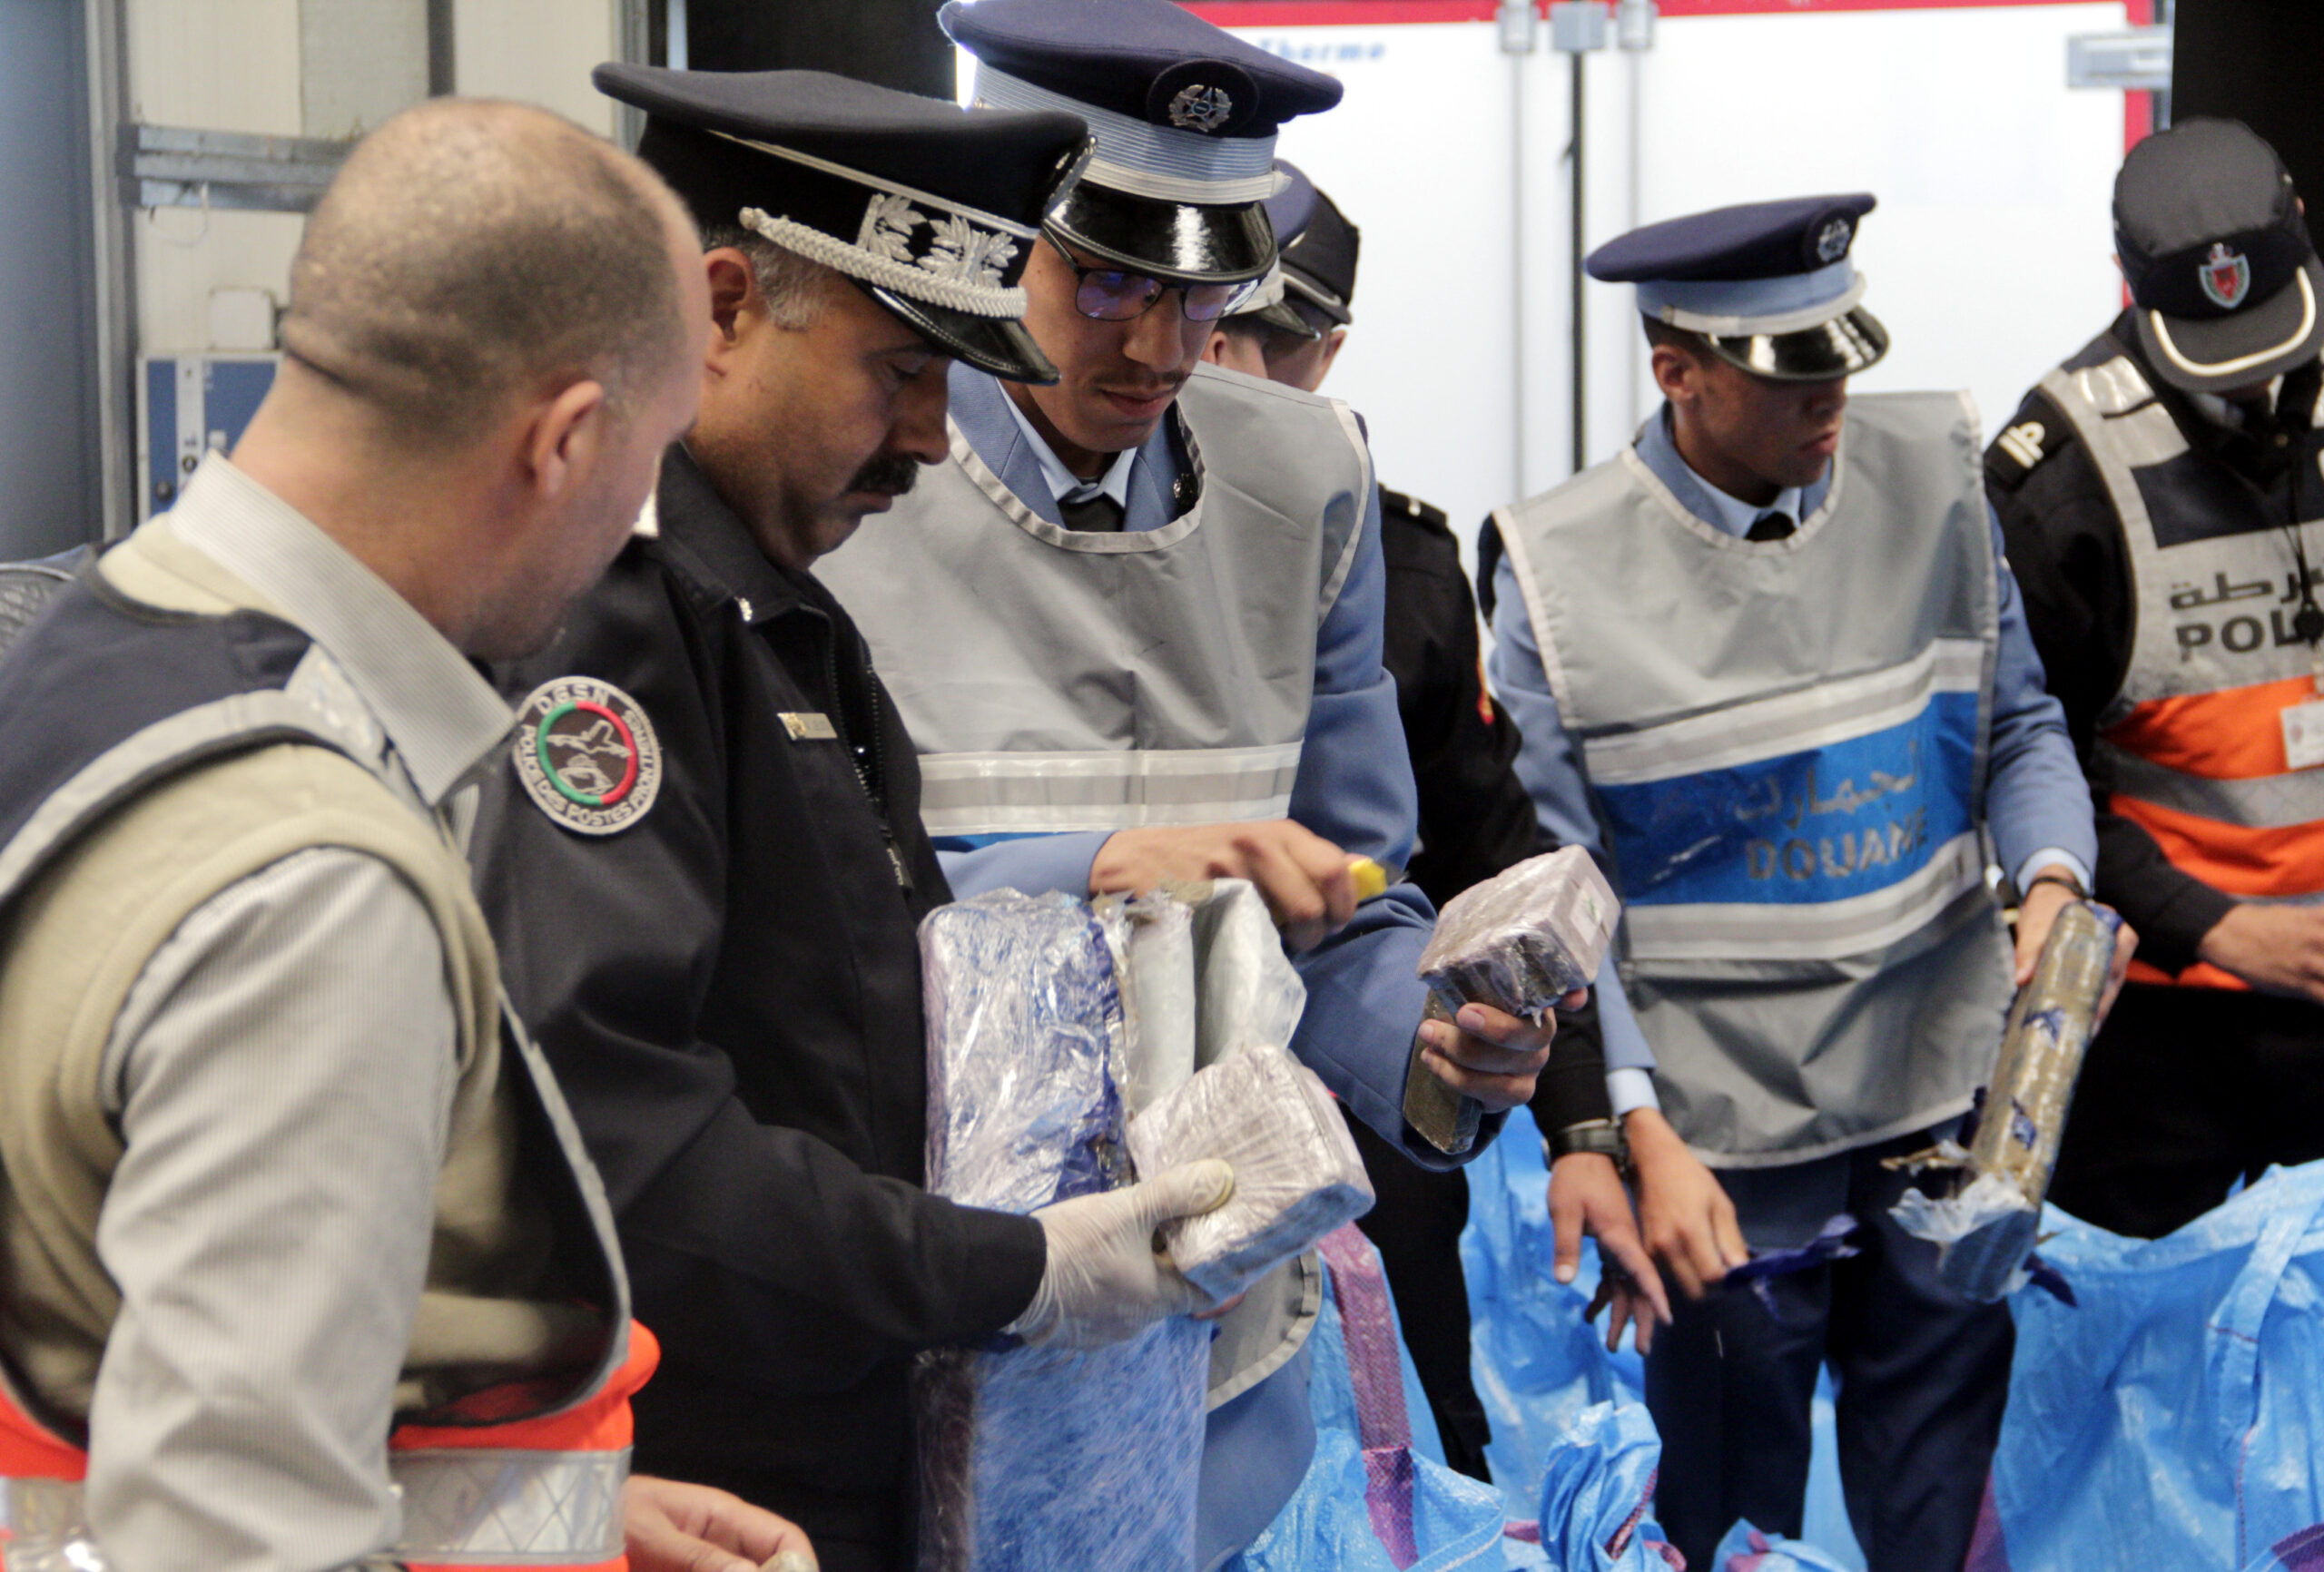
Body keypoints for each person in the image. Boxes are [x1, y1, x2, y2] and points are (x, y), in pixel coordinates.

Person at [0, 98, 815, 1572]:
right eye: (652, 462)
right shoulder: (311, 887)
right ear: (566, 441)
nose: (642, 519)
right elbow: (233, 1540)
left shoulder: (96, 658)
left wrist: (544, 1521)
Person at [816, 2, 1566, 1558]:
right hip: (903, 1315)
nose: (1162, 346)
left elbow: (1351, 896)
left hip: (1219, 1345)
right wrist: (1088, 866)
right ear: (991, 229)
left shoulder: (1309, 478)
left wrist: (1437, 1054)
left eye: (1209, 285)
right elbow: (780, 917)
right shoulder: (851, 463)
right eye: (1105, 276)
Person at [471, 67, 1237, 1572]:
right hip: (711, 1479)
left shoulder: (768, 613)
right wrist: (1003, 1268)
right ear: (725, 306)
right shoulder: (618, 622)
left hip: (834, 1444)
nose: (936, 441)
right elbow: (629, 1136)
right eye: (901, 373)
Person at [1486, 194, 2133, 1572]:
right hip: (1717, 1145)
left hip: (1937, 1099)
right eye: (1789, 377)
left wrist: (2054, 880)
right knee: (1728, 1517)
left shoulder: (1939, 476)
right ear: (1677, 370)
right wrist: (1632, 1131)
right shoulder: (1560, 571)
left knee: (1935, 1512)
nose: (1832, 397)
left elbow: (2019, 725)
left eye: (1842, 358)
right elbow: (1561, 889)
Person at [1200, 160, 1676, 1479]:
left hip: (1369, 1130)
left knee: (1423, 1466)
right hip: (1139, 1143)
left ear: (1328, 353)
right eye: (1212, 325)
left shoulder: (1395, 565)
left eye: (1269, 341)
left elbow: (1497, 859)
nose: (1226, 368)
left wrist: (1584, 1127)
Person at [1990, 118, 2324, 1240]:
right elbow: (2030, 754)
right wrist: (2213, 926)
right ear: (2131, 291)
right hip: (2168, 1030)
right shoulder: (2060, 471)